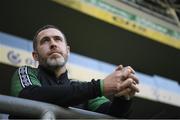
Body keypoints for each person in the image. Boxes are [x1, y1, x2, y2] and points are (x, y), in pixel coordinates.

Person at [10, 25, 140, 118]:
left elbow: (112, 113)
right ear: (35, 56)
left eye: (58, 39)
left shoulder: (81, 88)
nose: (53, 44)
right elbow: (30, 96)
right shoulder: (26, 72)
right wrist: (99, 86)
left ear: (68, 51)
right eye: (45, 41)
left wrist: (123, 97)